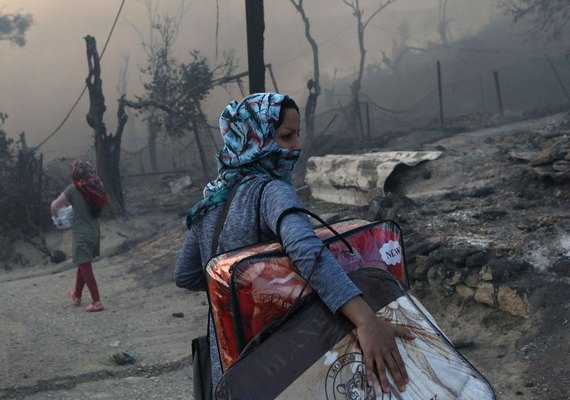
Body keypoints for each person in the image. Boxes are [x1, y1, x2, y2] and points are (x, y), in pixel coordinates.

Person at [174, 93, 415, 395]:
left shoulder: (210, 202)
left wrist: (239, 287)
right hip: (282, 353)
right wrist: (366, 320)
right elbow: (305, 251)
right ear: (255, 140)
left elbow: (186, 275)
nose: (297, 147)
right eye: (286, 137)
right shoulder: (272, 191)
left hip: (228, 354)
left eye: (298, 134)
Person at [51, 159, 107, 312]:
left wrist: (56, 217)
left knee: (85, 266)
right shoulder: (96, 186)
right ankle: (76, 295)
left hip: (81, 233)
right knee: (83, 263)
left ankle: (96, 301)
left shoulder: (73, 189)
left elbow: (55, 206)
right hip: (95, 231)